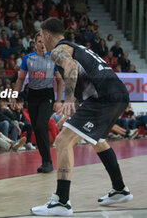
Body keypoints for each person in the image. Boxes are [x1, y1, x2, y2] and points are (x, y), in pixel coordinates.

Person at [31, 18, 132, 216]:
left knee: (62, 141)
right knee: (98, 140)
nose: (41, 39)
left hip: (102, 97)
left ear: (48, 35)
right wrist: (74, 108)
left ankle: (61, 201)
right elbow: (84, 81)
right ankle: (119, 189)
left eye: (41, 36)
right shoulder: (76, 48)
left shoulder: (59, 51)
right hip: (117, 94)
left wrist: (68, 100)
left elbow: (71, 69)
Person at [12, 32, 63, 173]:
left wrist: (58, 101)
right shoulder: (28, 59)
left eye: (44, 42)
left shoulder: (54, 58)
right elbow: (21, 79)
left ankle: (48, 161)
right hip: (33, 96)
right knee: (37, 128)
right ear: (35, 43)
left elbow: (59, 80)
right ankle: (45, 161)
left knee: (41, 125)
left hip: (47, 95)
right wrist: (14, 96)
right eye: (39, 42)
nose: (42, 45)